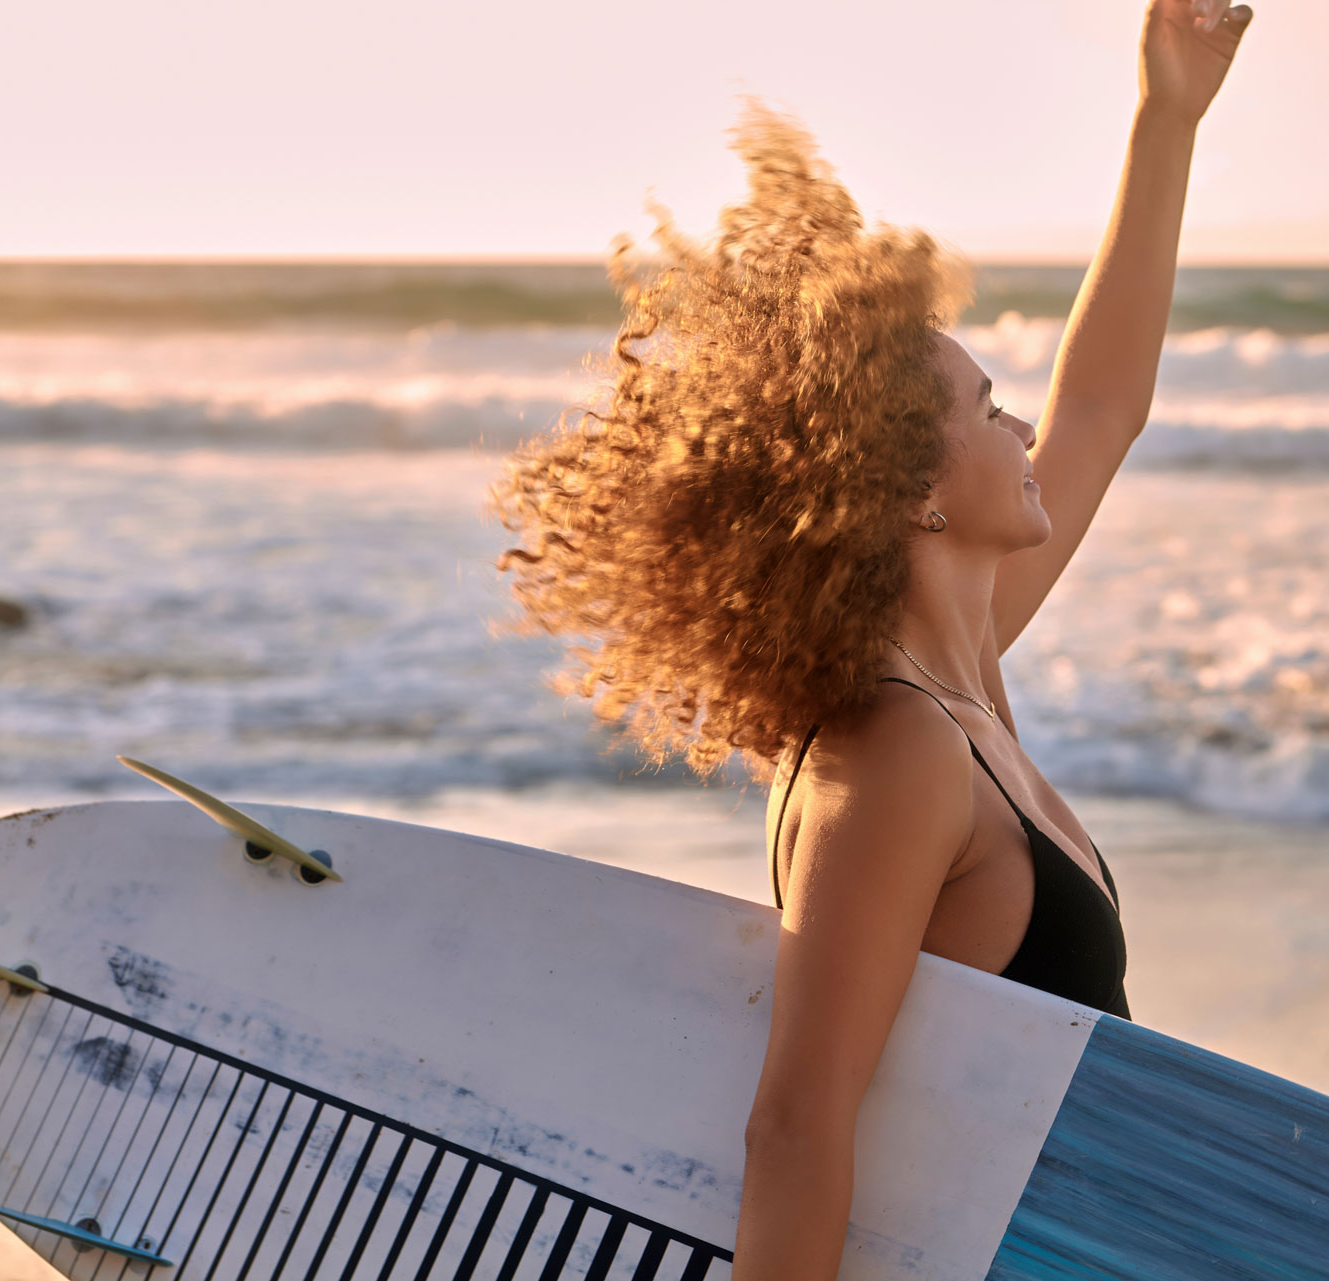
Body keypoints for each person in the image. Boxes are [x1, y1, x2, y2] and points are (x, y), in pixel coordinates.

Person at [489, 2, 1251, 1274]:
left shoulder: (963, 680)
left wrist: (1166, 118)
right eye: (987, 408)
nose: (1023, 431)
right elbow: (799, 1121)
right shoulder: (893, 748)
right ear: (911, 491)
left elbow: (1106, 406)